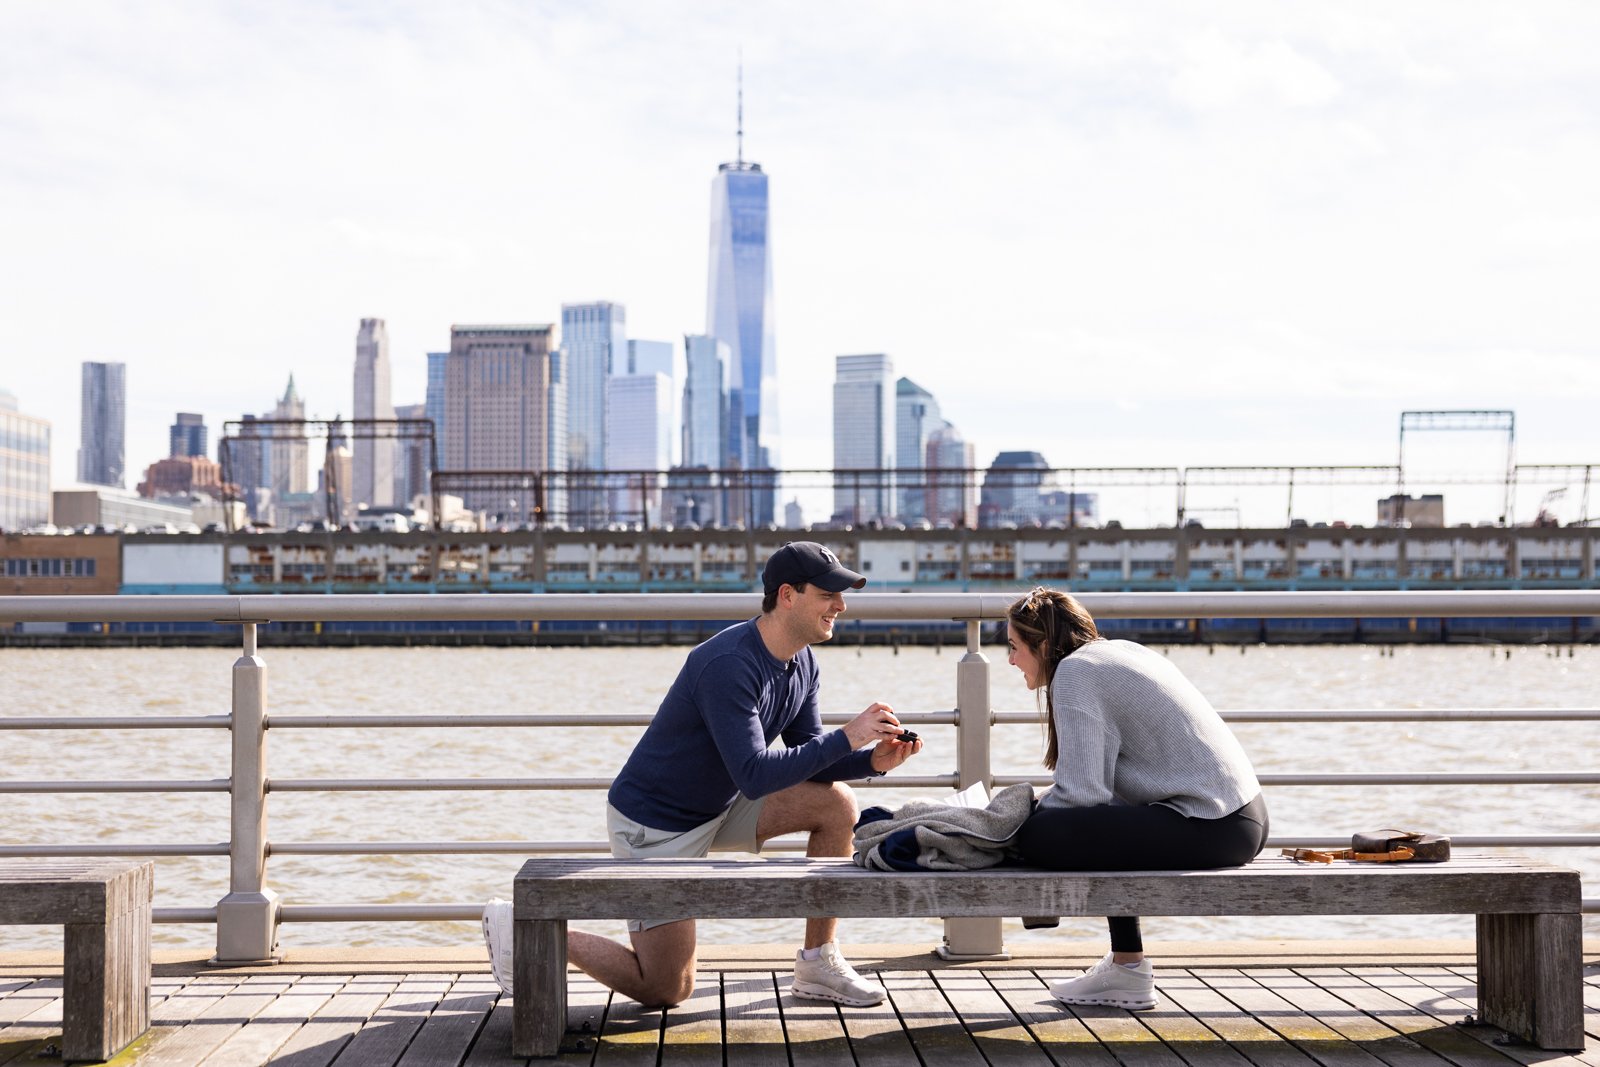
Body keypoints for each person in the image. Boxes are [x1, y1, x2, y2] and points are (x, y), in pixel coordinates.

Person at [482, 541, 923, 1008]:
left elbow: (812, 758)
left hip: (721, 805)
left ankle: (817, 962)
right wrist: (849, 735)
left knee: (834, 801)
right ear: (788, 596)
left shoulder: (803, 662)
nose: (841, 605)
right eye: (828, 594)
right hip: (655, 826)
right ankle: (525, 925)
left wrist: (871, 761)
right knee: (666, 989)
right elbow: (755, 775)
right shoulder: (728, 663)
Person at [1004, 586, 1268, 1011]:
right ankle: (1127, 966)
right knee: (1089, 825)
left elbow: (1082, 796)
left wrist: (1016, 819)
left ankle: (1126, 973)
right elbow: (1096, 796)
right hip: (1241, 815)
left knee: (1038, 834)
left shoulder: (1074, 673)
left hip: (1211, 823)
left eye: (1015, 647)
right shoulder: (1119, 651)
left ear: (1045, 645)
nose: (1011, 660)